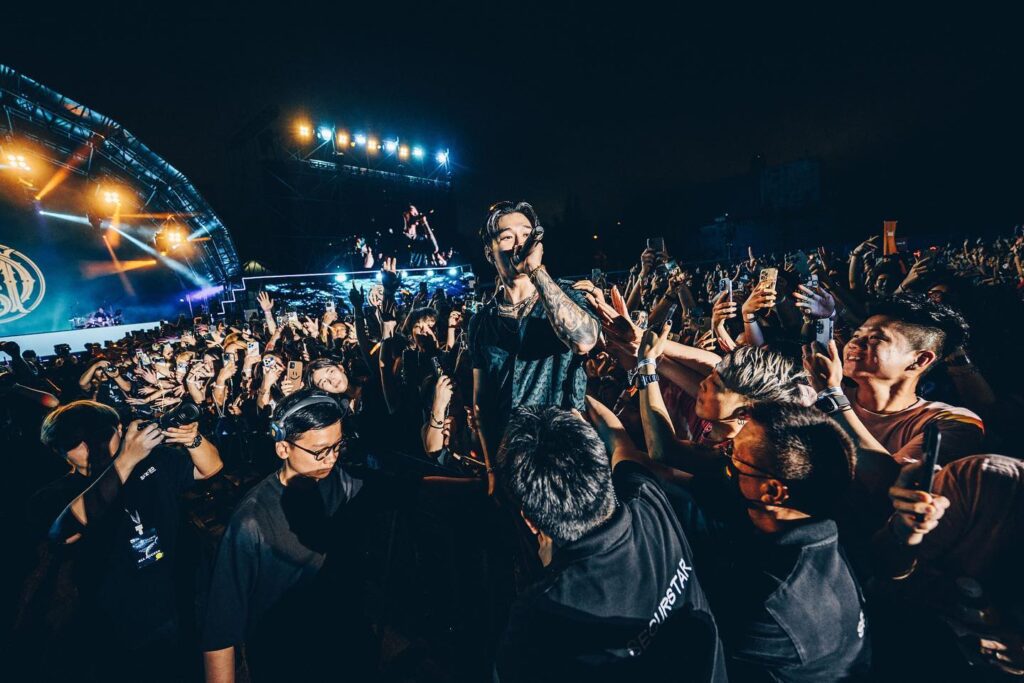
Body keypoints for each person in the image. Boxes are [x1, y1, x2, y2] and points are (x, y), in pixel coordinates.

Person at [494, 405, 726, 682]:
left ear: (531, 522)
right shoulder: (646, 498)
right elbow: (619, 442)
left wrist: (552, 573)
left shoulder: (541, 611)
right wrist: (582, 409)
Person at [679, 402, 872, 681]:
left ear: (772, 491)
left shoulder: (772, 596)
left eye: (732, 453)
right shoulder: (810, 527)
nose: (724, 454)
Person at [36, 400, 222, 681]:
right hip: (124, 616)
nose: (91, 446)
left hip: (181, 593)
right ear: (58, 451)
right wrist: (125, 460)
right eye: (75, 442)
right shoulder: (56, 494)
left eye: (100, 435)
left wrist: (193, 440)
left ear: (120, 429)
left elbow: (211, 468)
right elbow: (63, 533)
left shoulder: (156, 460)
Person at [468, 201, 600, 473]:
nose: (520, 244)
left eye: (527, 235)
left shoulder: (568, 295)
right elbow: (482, 403)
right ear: (490, 252)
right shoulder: (481, 323)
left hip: (564, 456)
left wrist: (536, 271)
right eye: (507, 237)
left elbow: (584, 340)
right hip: (512, 460)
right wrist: (492, 470)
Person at [802, 293, 985, 466]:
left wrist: (832, 398)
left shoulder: (953, 422)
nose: (854, 343)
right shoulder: (812, 396)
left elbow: (891, 481)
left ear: (920, 360)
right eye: (856, 335)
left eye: (875, 338)